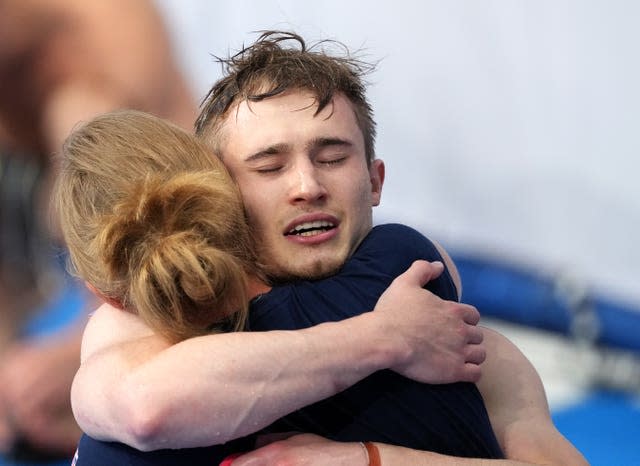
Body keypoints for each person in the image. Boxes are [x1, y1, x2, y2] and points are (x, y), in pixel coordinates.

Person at [70, 32, 587, 465]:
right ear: (221, 195)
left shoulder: (455, 335)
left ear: (374, 181)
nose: (306, 185)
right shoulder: (146, 329)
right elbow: (146, 408)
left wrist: (368, 458)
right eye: (269, 167)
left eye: (332, 157)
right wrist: (385, 337)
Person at [0, 0, 197, 457]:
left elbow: (173, 240)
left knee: (83, 115)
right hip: (56, 294)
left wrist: (72, 355)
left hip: (160, 272)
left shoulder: (109, 29)